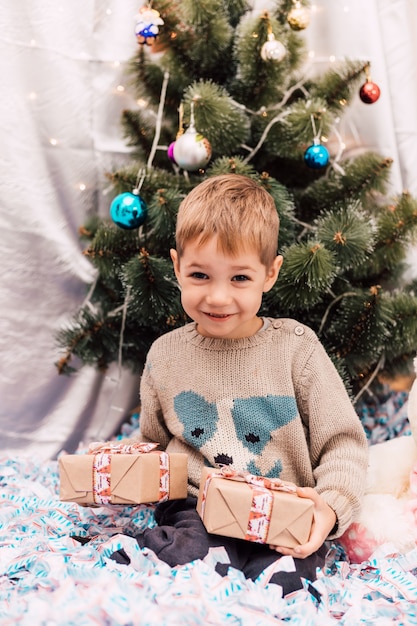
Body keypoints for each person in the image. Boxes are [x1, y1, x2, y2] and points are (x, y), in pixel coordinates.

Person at [113, 173, 368, 595]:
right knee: (186, 561)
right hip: (195, 507)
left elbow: (343, 443)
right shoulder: (165, 355)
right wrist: (123, 474)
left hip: (280, 505)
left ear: (270, 273)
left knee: (288, 580)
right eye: (199, 275)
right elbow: (156, 447)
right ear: (176, 266)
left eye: (240, 278)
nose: (217, 297)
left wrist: (330, 507)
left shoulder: (296, 349)